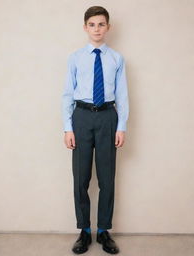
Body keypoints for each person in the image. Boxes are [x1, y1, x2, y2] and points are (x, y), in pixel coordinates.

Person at [61, 5, 129, 255]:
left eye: (101, 24)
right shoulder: (76, 58)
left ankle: (103, 230)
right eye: (92, 24)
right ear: (85, 27)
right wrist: (68, 128)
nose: (97, 29)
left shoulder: (116, 59)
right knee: (80, 178)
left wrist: (121, 126)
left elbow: (122, 96)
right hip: (81, 117)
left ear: (108, 27)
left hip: (107, 117)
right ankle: (84, 231)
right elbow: (67, 93)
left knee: (106, 178)